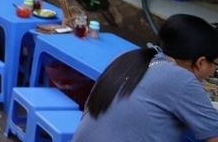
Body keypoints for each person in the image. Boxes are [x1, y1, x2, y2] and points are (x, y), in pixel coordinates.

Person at [73, 13, 218, 141]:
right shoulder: (181, 79)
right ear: (201, 62)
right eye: (216, 64)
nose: (214, 70)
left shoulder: (127, 58)